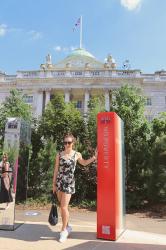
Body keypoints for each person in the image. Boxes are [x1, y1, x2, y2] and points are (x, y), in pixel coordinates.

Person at [52, 134, 97, 243]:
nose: (66, 144)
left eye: (69, 142)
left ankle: (63, 231)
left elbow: (84, 163)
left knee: (63, 207)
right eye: (65, 142)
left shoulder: (76, 154)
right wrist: (53, 184)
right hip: (59, 183)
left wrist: (94, 157)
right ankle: (67, 226)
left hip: (69, 183)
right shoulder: (59, 154)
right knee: (62, 207)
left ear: (73, 143)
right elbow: (56, 169)